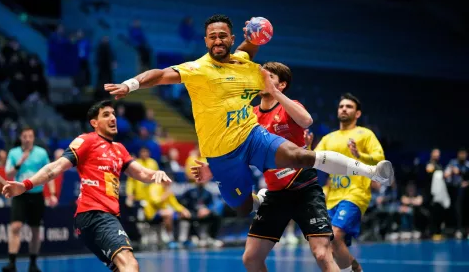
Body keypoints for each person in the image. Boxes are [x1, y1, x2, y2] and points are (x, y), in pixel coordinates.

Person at [104, 14, 393, 217]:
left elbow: (250, 47)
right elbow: (160, 75)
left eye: (223, 36)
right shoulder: (197, 69)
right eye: (212, 37)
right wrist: (132, 84)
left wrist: (255, 32)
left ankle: (372, 172)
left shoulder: (244, 63)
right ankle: (261, 200)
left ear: (231, 38)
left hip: (251, 135)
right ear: (205, 41)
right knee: (241, 208)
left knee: (301, 156)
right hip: (221, 153)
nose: (218, 40)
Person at [192, 62, 339, 271]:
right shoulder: (249, 116)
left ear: (281, 84)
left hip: (304, 187)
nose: (262, 81)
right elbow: (236, 150)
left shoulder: (290, 105)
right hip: (276, 194)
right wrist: (212, 168)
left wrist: (275, 93)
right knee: (251, 258)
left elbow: (306, 120)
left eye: (269, 77)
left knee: (322, 254)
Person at [2, 100, 172, 272]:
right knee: (130, 263)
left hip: (99, 219)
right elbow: (56, 167)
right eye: (106, 115)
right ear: (94, 123)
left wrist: (155, 174)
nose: (113, 118)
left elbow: (141, 173)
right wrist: (26, 185)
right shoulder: (87, 141)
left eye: (113, 114)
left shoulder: (120, 149)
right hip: (97, 214)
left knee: (122, 268)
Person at [305, 93, 386, 272]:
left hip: (355, 194)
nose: (344, 109)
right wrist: (307, 148)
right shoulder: (329, 138)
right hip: (332, 196)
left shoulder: (365, 134)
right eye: (341, 106)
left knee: (335, 236)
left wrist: (360, 155)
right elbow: (314, 161)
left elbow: (380, 161)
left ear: (357, 114)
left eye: (349, 106)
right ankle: (355, 269)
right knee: (331, 243)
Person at [2, 127, 58, 272]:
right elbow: (8, 174)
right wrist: (20, 162)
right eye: (25, 136)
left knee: (35, 230)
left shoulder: (41, 153)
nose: (27, 138)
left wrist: (52, 194)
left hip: (36, 195)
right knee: (15, 227)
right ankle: (12, 263)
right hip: (19, 195)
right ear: (21, 137)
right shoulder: (14, 153)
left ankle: (33, 263)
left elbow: (49, 174)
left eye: (30, 136)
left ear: (33, 138)